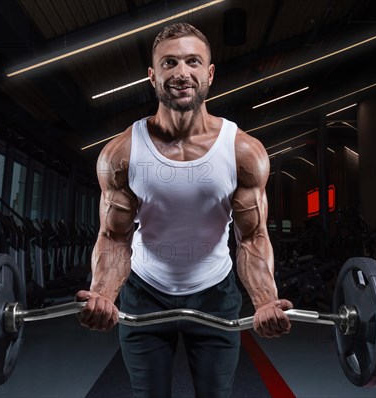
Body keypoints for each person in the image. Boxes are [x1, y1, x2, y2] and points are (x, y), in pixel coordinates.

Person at [76, 22, 293, 398]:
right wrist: (103, 295)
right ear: (152, 75)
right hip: (146, 292)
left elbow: (253, 236)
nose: (181, 72)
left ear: (209, 73)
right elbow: (113, 237)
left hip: (215, 293)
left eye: (193, 61)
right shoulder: (121, 153)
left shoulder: (243, 152)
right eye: (170, 62)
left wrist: (264, 300)